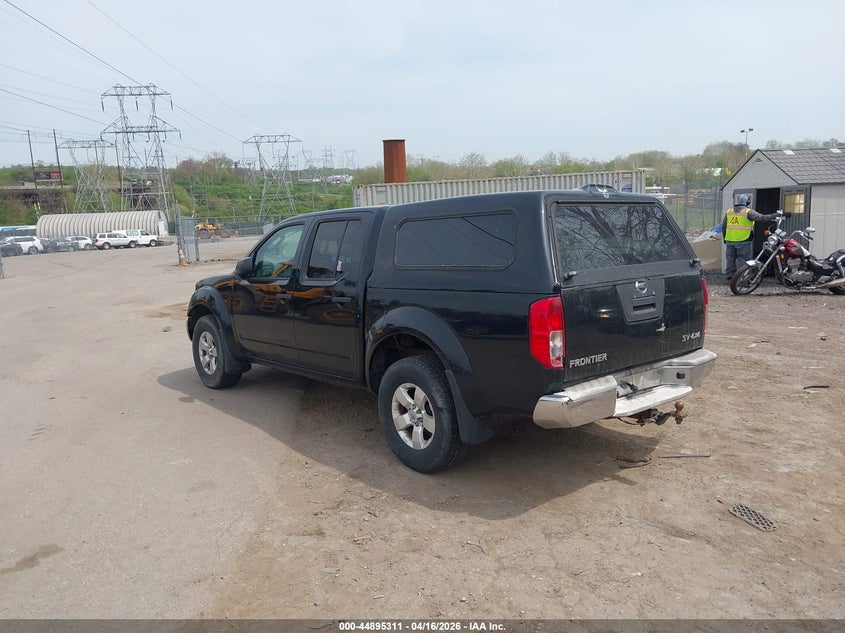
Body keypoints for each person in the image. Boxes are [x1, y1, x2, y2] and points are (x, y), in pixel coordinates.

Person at [720, 194, 782, 282]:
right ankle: (742, 279)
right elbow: (762, 218)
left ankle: (730, 279)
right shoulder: (748, 212)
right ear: (747, 202)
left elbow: (724, 226)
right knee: (743, 260)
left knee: (730, 260)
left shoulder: (729, 211)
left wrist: (725, 239)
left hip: (729, 240)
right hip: (742, 240)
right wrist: (776, 215)